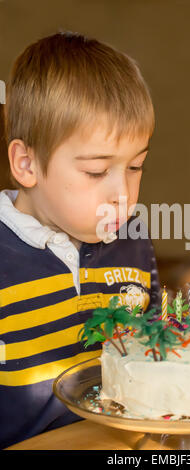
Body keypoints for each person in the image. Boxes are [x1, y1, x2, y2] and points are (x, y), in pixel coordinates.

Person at [0, 30, 160, 449]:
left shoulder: (133, 241)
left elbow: (154, 352)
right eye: (95, 172)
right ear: (26, 163)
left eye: (136, 166)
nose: (122, 194)